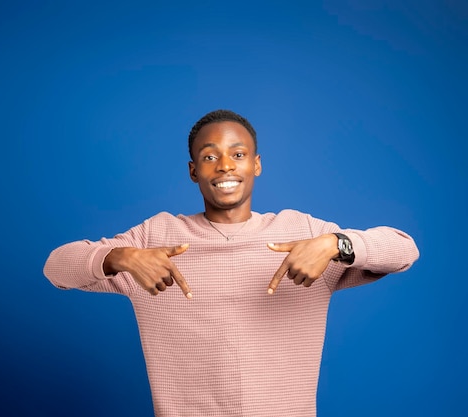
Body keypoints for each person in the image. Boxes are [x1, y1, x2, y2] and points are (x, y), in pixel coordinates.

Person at [43, 109, 419, 417]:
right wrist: (121, 257)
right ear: (193, 171)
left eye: (237, 154)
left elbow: (404, 250)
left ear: (256, 165)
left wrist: (337, 243)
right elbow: (56, 267)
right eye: (210, 156)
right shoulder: (155, 238)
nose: (225, 166)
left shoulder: (303, 230)